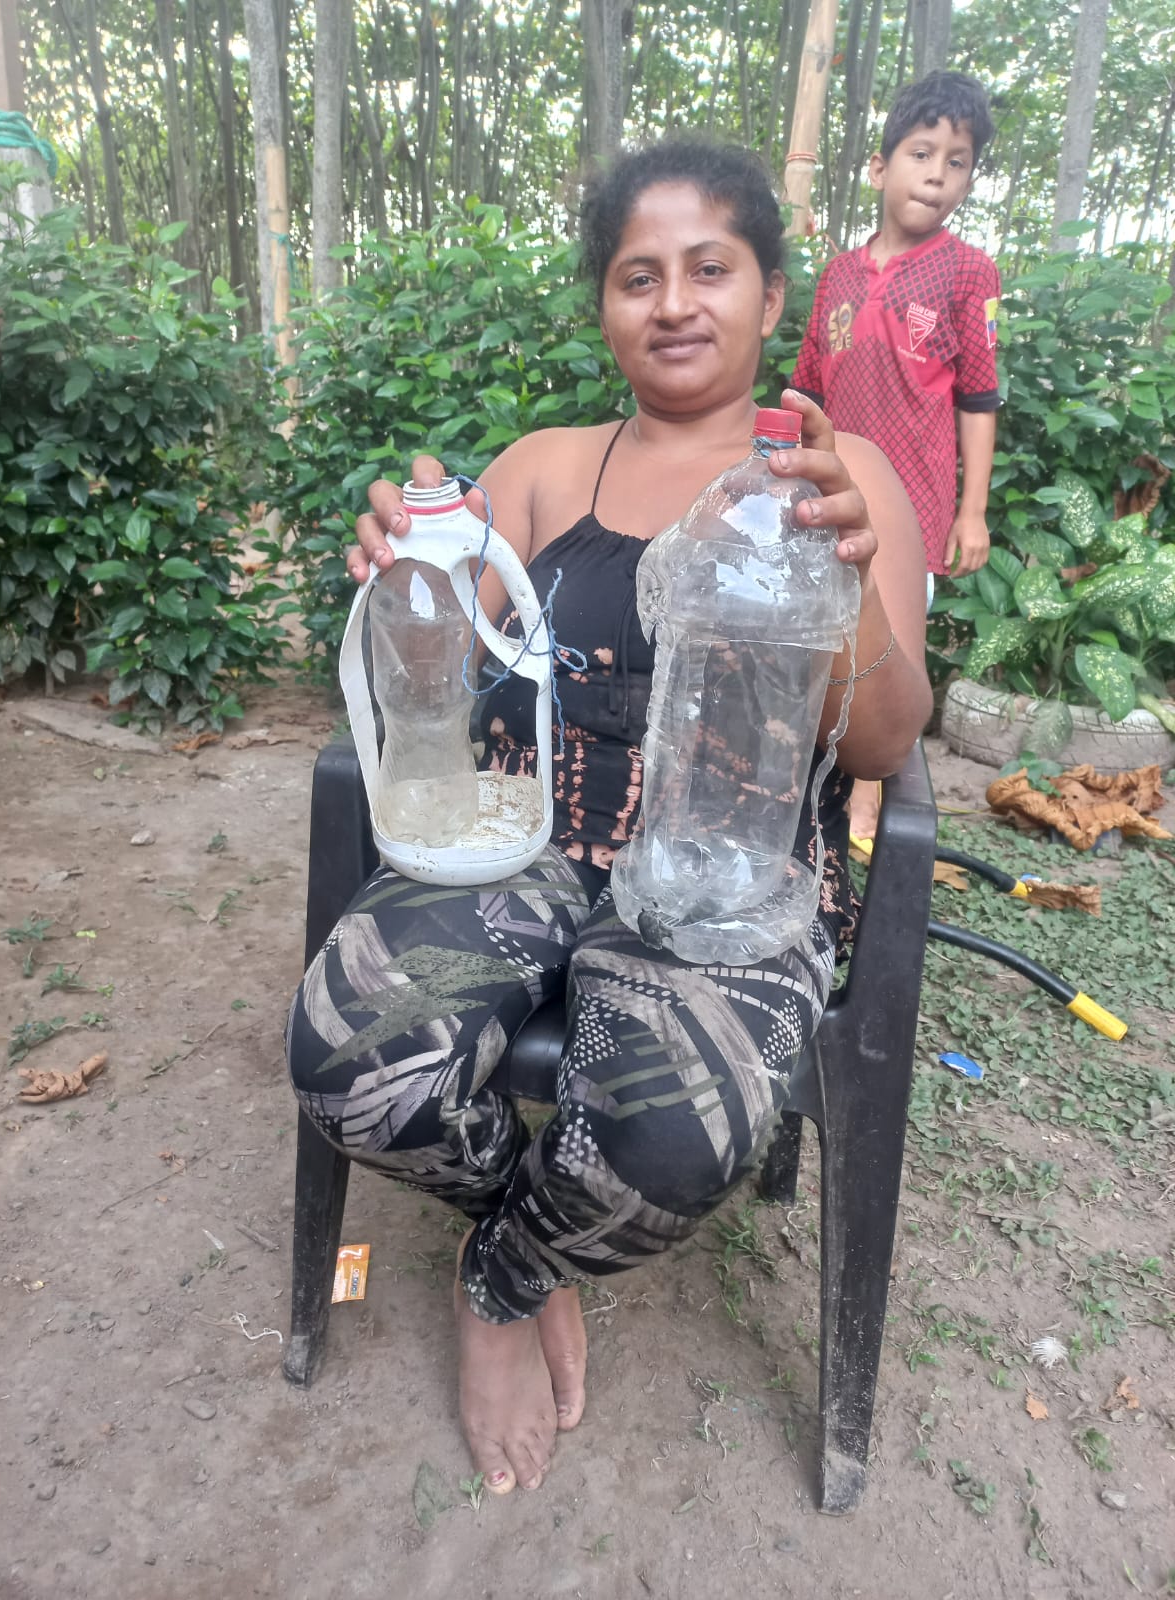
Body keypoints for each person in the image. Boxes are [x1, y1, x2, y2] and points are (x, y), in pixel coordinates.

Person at [286, 138, 932, 1498]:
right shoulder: (544, 469)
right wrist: (409, 574)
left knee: (668, 1140)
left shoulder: (842, 475)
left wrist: (844, 575)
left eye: (711, 269)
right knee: (348, 1060)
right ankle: (528, 1236)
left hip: (728, 880)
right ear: (604, 307)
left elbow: (883, 743)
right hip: (521, 845)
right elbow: (435, 682)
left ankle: (504, 1279)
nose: (674, 302)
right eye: (639, 276)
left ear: (770, 297)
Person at [792, 69, 1000, 845]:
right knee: (819, 629)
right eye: (922, 154)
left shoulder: (969, 272)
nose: (937, 175)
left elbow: (979, 399)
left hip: (912, 505)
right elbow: (806, 391)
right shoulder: (838, 277)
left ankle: (871, 800)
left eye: (957, 162)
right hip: (832, 494)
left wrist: (972, 511)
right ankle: (813, 769)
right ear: (880, 168)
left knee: (893, 646)